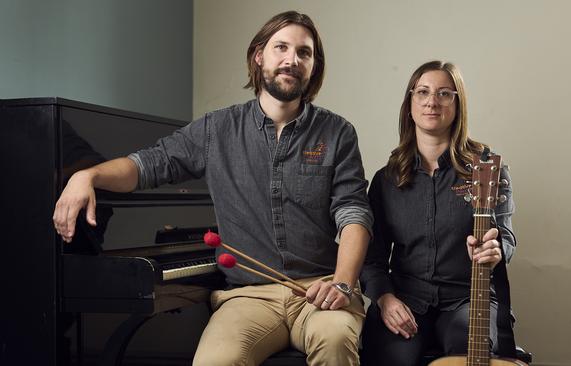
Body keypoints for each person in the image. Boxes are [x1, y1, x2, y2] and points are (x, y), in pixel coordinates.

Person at [52, 11, 372, 366]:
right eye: (281, 47)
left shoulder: (338, 133)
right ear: (259, 55)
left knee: (336, 340)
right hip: (248, 297)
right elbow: (146, 165)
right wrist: (88, 176)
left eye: (304, 52)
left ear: (313, 66)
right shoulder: (216, 129)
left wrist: (342, 284)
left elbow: (354, 213)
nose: (292, 59)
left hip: (321, 290)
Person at [359, 60, 517, 366]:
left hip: (468, 299)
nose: (432, 101)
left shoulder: (487, 169)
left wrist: (496, 250)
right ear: (410, 104)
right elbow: (372, 259)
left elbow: (506, 238)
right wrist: (385, 299)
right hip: (406, 298)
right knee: (388, 357)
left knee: (467, 351)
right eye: (423, 92)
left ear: (458, 106)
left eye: (445, 94)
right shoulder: (387, 179)